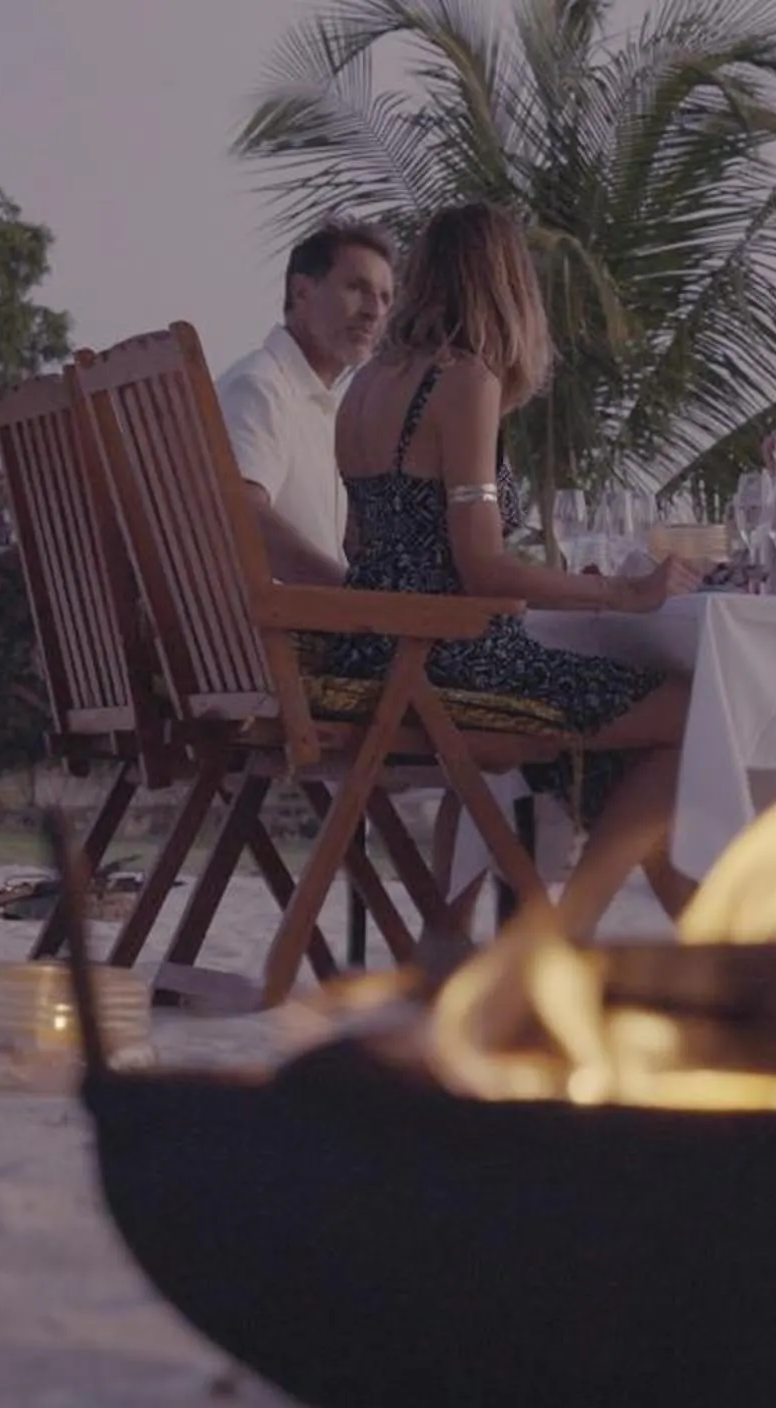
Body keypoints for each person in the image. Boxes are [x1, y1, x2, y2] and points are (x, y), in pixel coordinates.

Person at [310, 202, 698, 930]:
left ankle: (447, 938)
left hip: (369, 655)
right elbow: (482, 566)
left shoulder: (364, 385)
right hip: (446, 667)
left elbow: (368, 546)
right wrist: (626, 593)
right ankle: (574, 924)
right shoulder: (465, 379)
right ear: (506, 286)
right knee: (694, 712)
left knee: (562, 740)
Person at [216, 220, 397, 587]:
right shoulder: (261, 386)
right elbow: (241, 515)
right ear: (301, 293)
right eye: (356, 288)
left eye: (384, 298)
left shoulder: (315, 405)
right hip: (284, 633)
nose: (373, 311)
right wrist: (352, 599)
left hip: (311, 629)